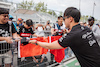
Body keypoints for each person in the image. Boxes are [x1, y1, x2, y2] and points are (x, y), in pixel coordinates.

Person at [29, 7, 100, 67]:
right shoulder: (86, 29)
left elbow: (49, 46)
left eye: (64, 18)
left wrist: (36, 42)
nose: (63, 21)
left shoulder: (72, 35)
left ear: (70, 19)